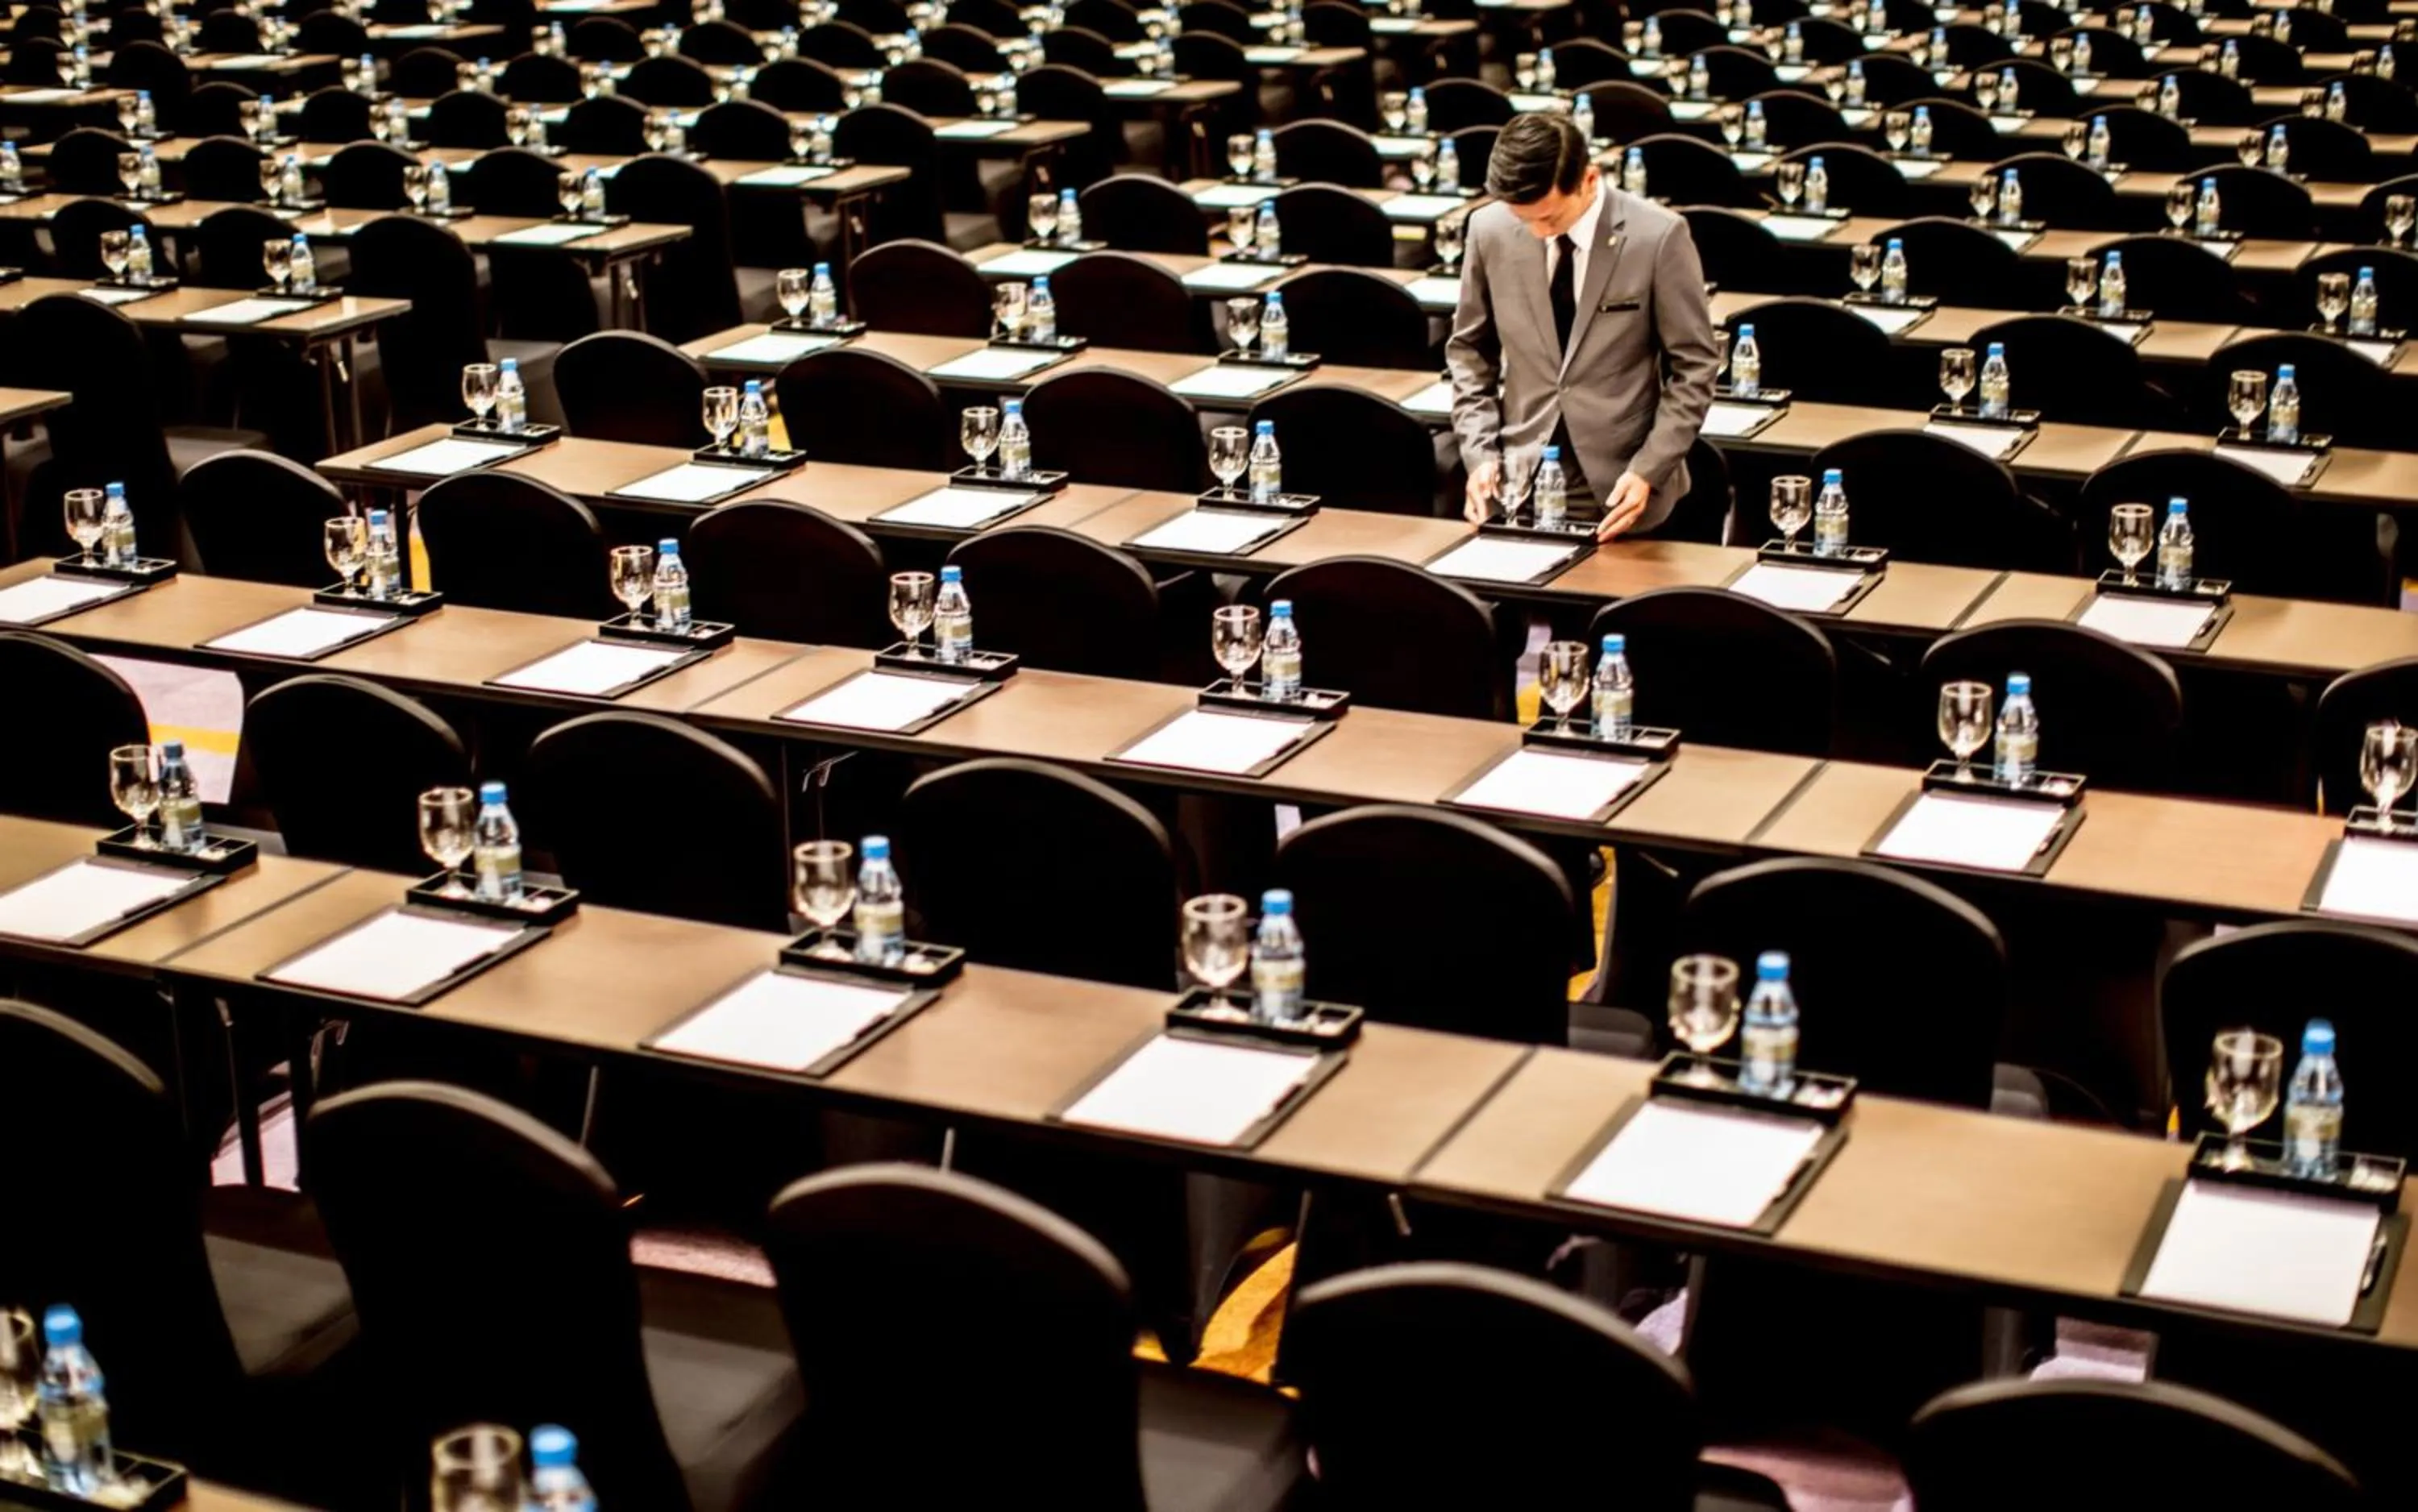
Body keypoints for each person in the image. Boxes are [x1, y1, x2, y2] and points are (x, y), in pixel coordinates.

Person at [1448, 112, 1719, 541]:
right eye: (1524, 219)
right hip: (1518, 475)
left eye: (1550, 218)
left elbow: (1696, 367)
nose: (1538, 233)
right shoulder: (1489, 228)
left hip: (1624, 482)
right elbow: (1469, 351)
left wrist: (1650, 468)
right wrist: (1479, 452)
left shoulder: (1658, 236)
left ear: (1589, 180)